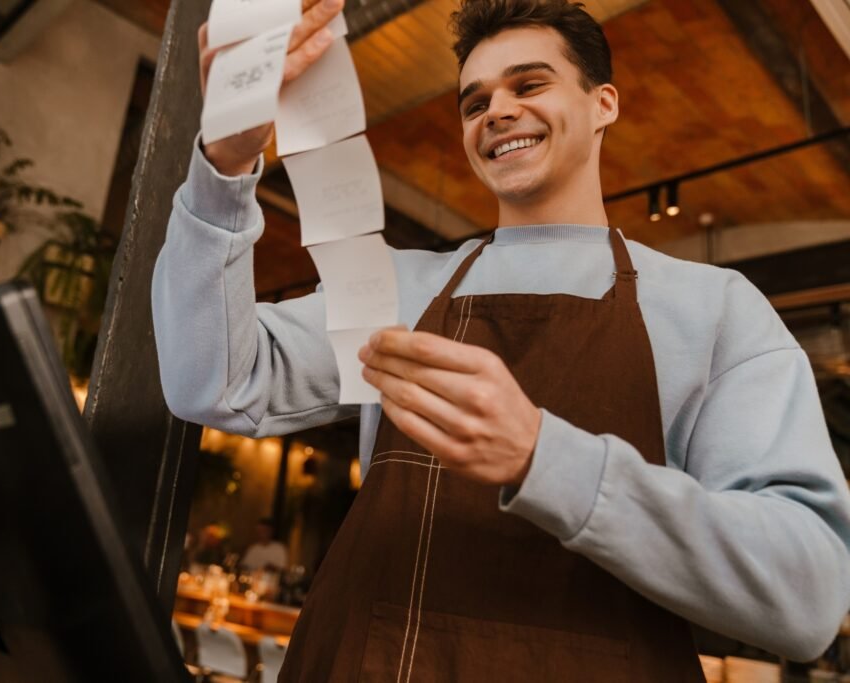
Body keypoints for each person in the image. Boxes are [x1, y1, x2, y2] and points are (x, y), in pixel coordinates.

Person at [153, 0, 850, 678]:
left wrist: (543, 457)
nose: (498, 111)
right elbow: (208, 377)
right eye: (475, 100)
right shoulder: (395, 291)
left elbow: (807, 597)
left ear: (603, 102)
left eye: (530, 84)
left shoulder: (717, 310)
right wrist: (225, 164)